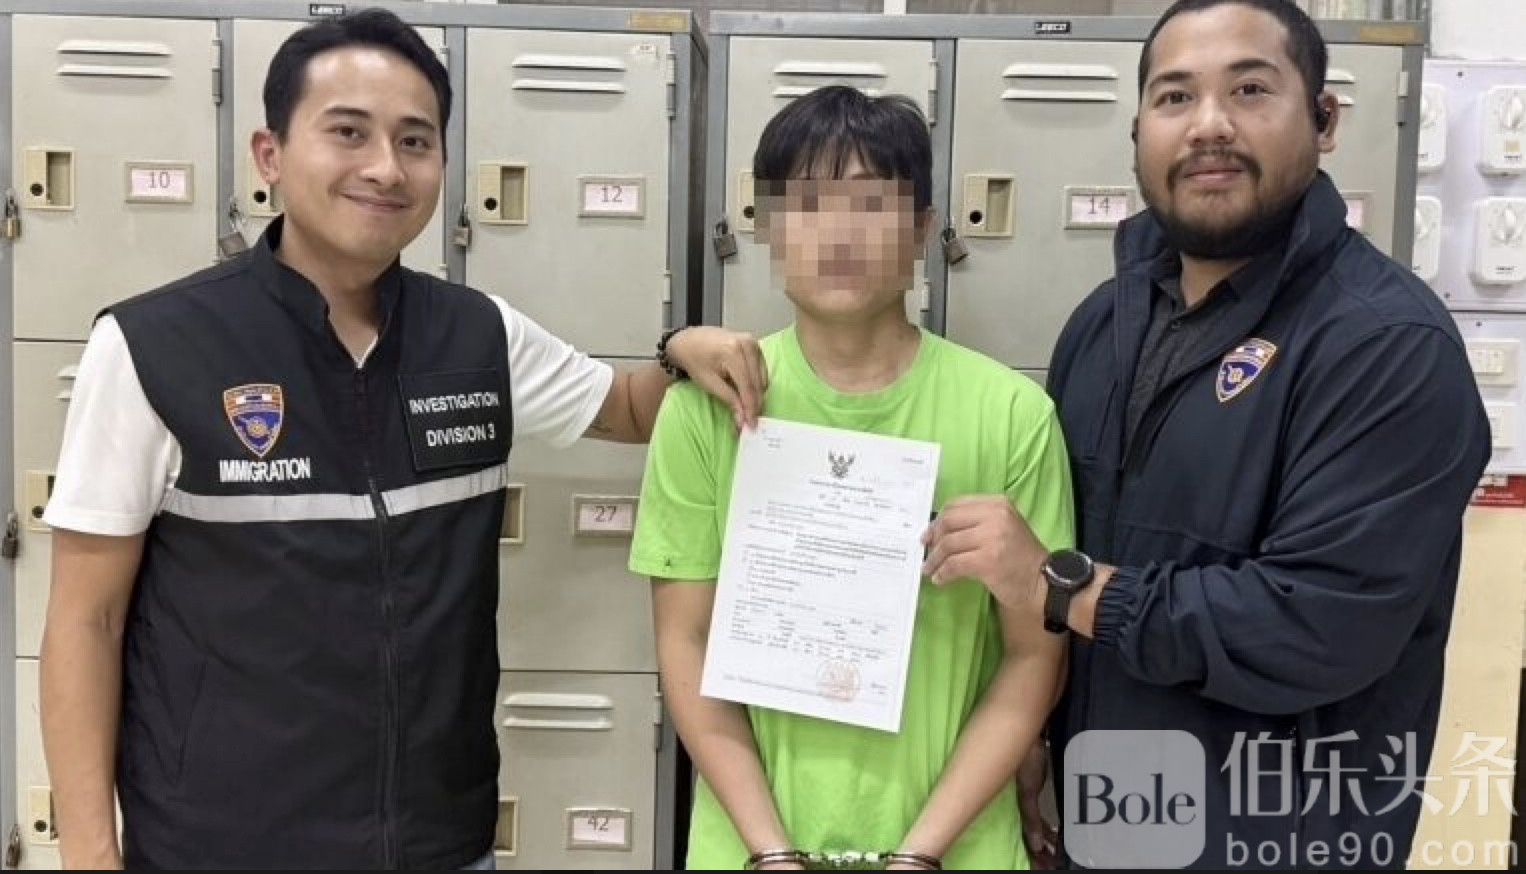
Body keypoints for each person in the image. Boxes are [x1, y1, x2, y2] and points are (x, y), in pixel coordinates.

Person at [37, 8, 767, 870]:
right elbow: (86, 620)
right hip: (221, 845)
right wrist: (91, 854)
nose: (386, 167)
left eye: (415, 141)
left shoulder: (477, 336)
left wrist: (681, 347)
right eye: (348, 132)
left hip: (439, 845)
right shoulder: (154, 347)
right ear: (270, 155)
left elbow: (630, 409)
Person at [920, 0, 1492, 868]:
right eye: (1175, 97)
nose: (1209, 125)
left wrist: (1064, 587)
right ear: (1138, 132)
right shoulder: (1104, 325)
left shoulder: (1385, 347)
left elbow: (1317, 625)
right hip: (1118, 817)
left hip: (1278, 837)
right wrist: (1034, 733)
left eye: (1250, 90)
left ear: (1325, 119)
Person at [629, 85, 1074, 871]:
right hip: (750, 847)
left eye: (872, 204)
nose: (838, 232)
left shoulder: (1013, 415)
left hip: (957, 850)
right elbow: (685, 641)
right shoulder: (705, 411)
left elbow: (1033, 657)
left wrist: (919, 856)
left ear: (923, 229)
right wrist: (771, 853)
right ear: (766, 226)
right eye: (805, 204)